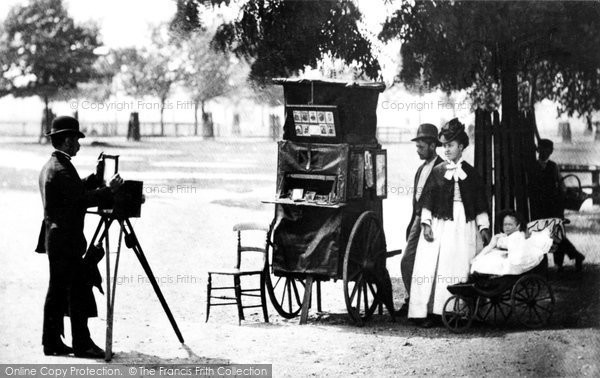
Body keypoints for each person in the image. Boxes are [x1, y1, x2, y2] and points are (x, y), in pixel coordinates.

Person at [36, 116, 123, 358]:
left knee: (57, 291)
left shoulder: (53, 166)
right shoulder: (62, 169)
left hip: (57, 239)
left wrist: (95, 178)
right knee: (77, 290)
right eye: (75, 139)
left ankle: (52, 342)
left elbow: (73, 190)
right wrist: (109, 190)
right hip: (65, 241)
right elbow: (80, 201)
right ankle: (82, 344)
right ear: (64, 141)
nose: (78, 145)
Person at [408, 118, 491, 327]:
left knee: (458, 263)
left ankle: (458, 310)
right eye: (444, 145)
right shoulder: (437, 172)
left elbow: (480, 203)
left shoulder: (471, 174)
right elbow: (428, 200)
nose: (447, 149)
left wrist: (483, 227)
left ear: (461, 147)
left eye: (451, 145)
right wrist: (426, 223)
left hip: (463, 224)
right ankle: (431, 311)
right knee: (432, 263)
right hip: (440, 223)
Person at [397, 123, 444, 316]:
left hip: (431, 221)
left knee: (411, 262)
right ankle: (412, 301)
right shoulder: (421, 169)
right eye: (417, 147)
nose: (418, 150)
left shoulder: (441, 168)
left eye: (421, 147)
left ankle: (423, 307)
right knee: (409, 262)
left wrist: (428, 222)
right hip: (417, 219)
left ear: (432, 146)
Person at [529, 138, 585, 272]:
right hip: (539, 206)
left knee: (557, 235)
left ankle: (560, 264)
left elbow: (561, 185)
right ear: (538, 150)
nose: (545, 153)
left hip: (553, 206)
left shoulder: (553, 167)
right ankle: (575, 256)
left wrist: (561, 198)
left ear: (551, 152)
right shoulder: (533, 166)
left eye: (548, 151)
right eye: (542, 150)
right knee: (542, 235)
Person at [470, 210, 553, 276]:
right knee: (488, 257)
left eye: (510, 224)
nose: (507, 227)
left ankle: (484, 275)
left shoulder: (517, 235)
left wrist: (495, 243)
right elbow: (492, 246)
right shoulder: (507, 237)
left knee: (488, 260)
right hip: (513, 258)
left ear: (518, 226)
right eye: (505, 224)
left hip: (517, 263)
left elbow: (516, 253)